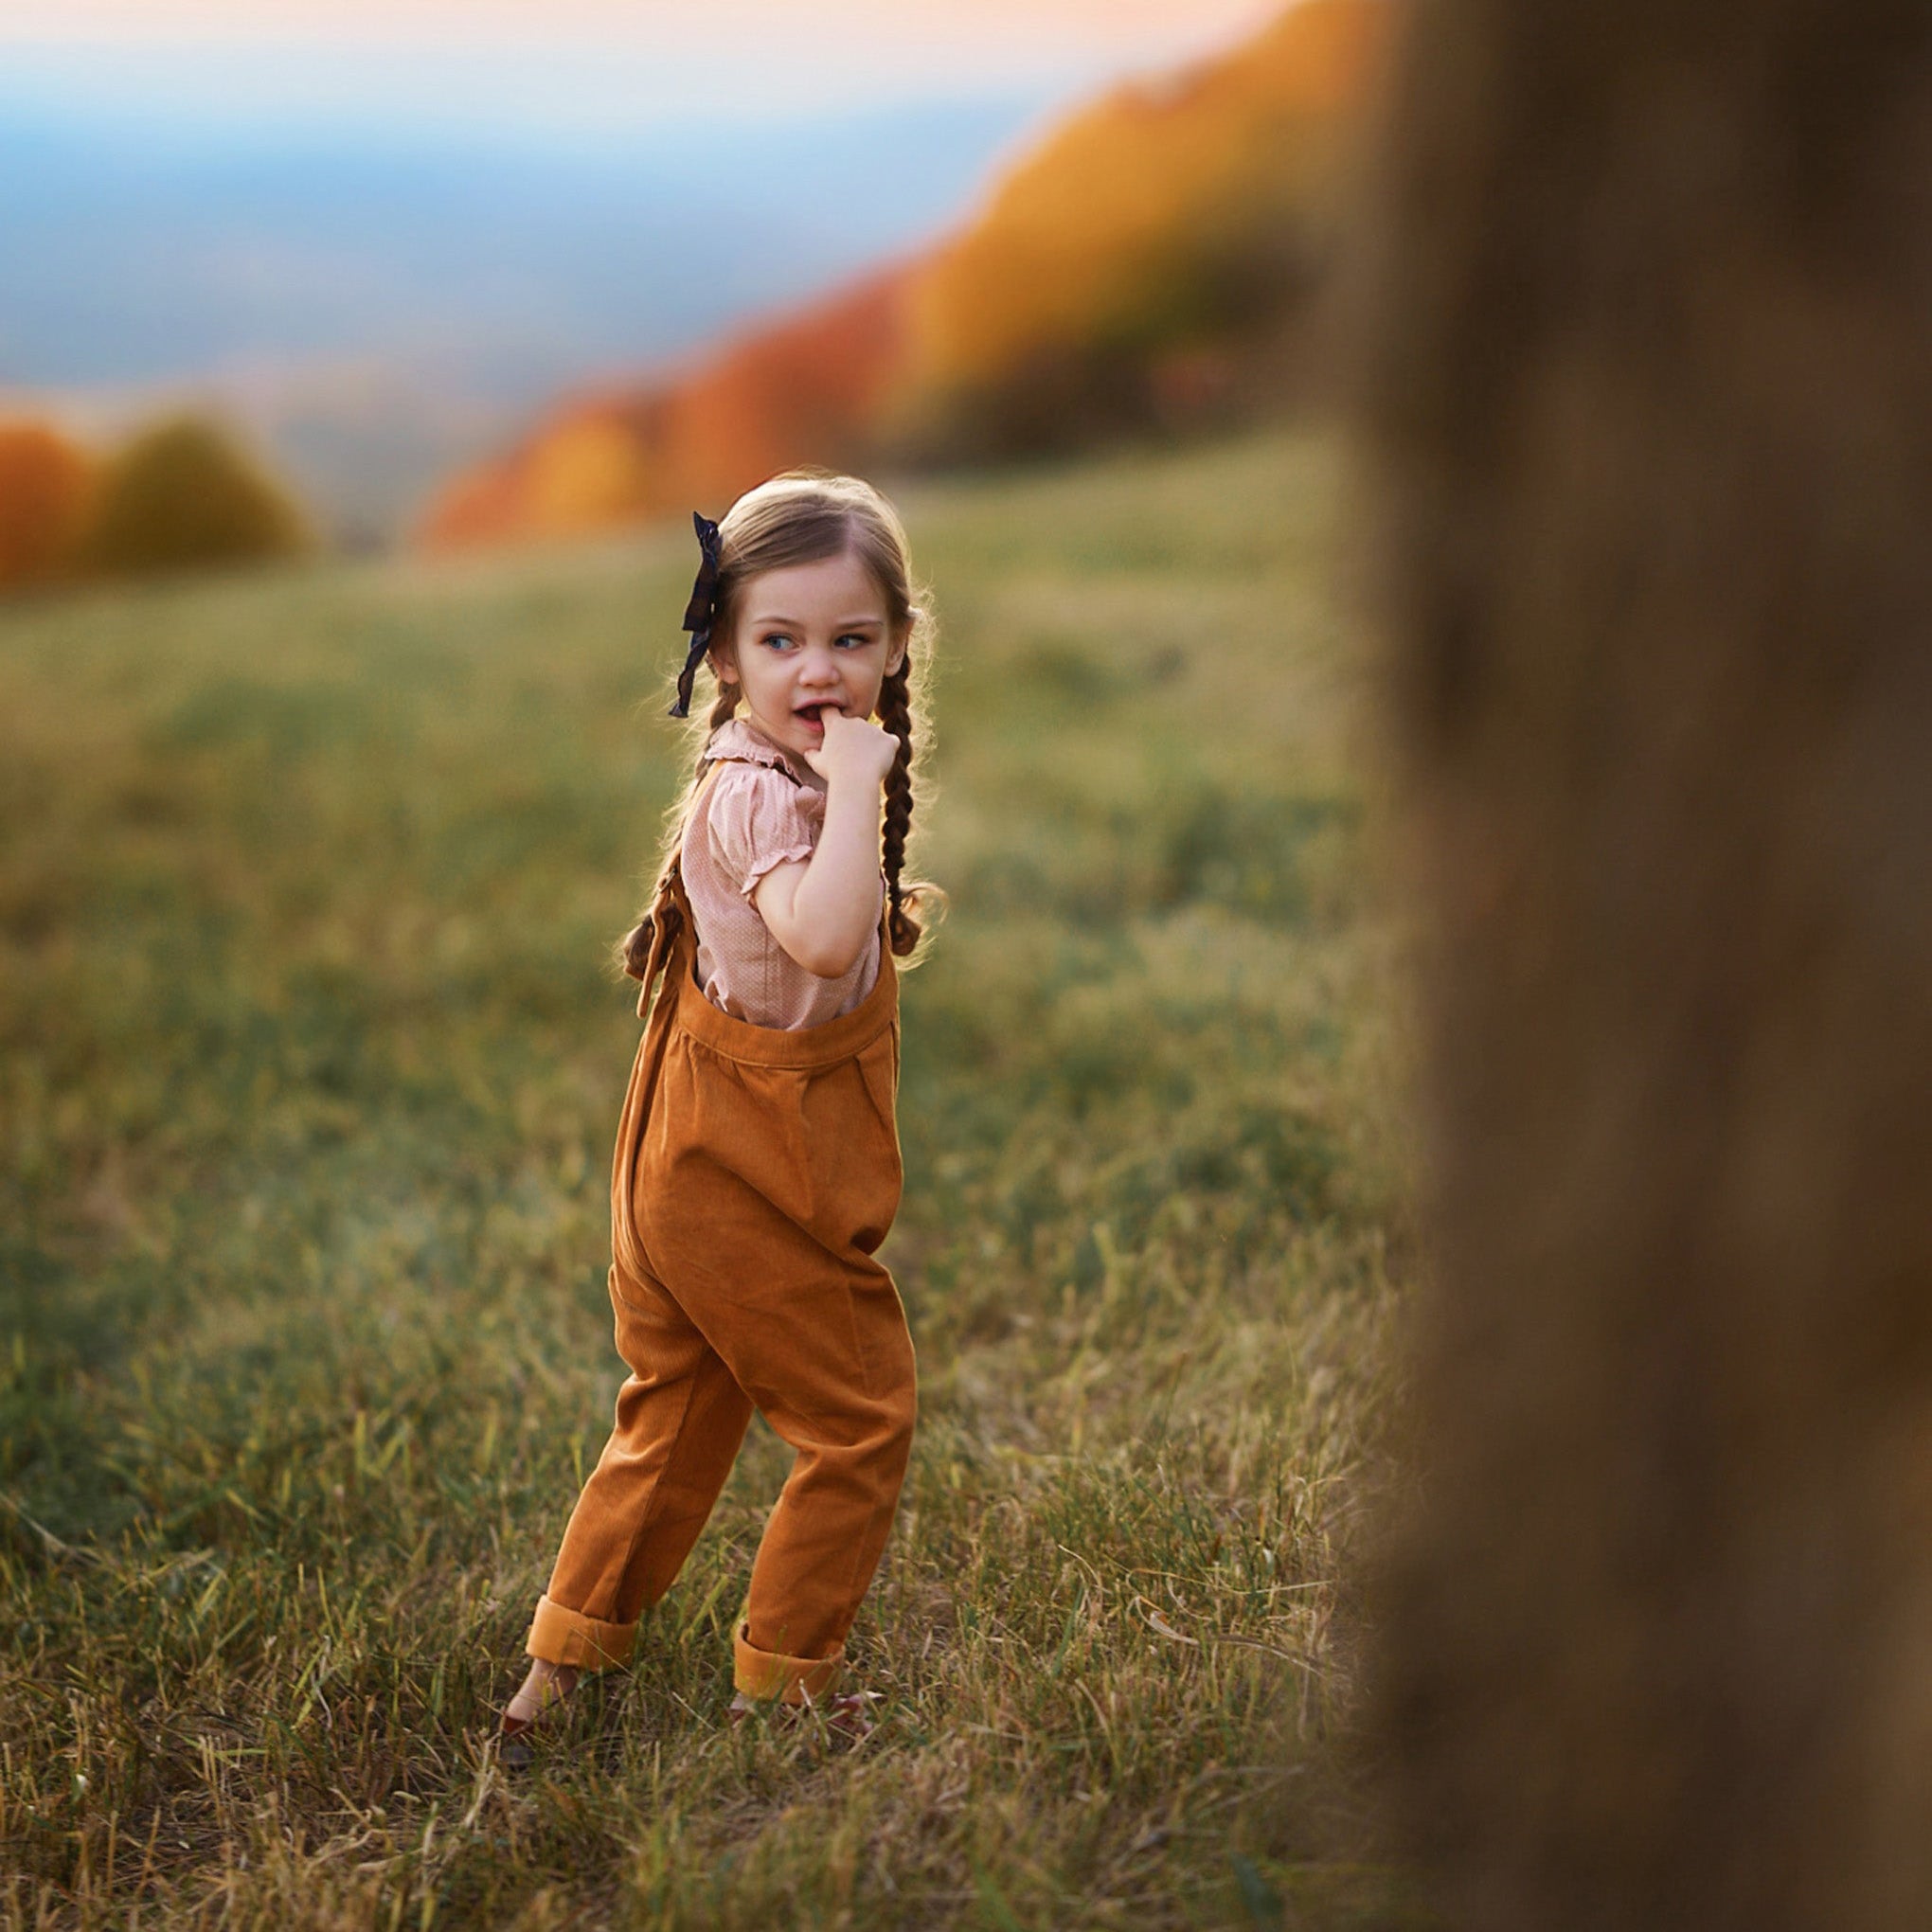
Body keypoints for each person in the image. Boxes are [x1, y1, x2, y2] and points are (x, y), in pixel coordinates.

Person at [497, 471, 940, 1762]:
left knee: (676, 1421)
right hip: (745, 1177)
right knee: (858, 1420)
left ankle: (552, 1684)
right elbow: (818, 932)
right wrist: (859, 783)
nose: (819, 669)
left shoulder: (767, 773)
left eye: (850, 640)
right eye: (780, 641)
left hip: (687, 1169)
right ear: (727, 657)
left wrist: (852, 787)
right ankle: (787, 1685)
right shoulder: (764, 795)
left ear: (896, 644)